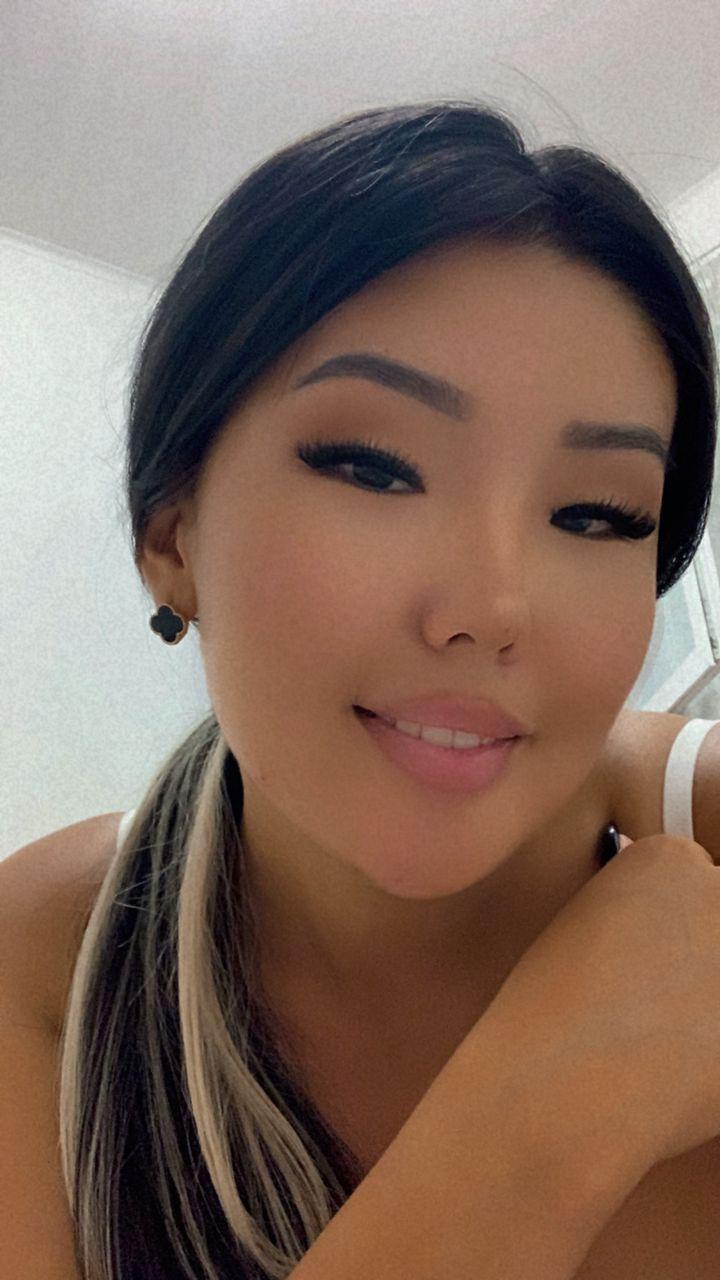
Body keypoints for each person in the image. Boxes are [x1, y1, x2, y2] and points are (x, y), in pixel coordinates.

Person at [57, 98, 716, 1280]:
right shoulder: (50, 969)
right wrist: (547, 1124)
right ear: (171, 535)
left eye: (596, 514)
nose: (493, 605)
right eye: (373, 465)